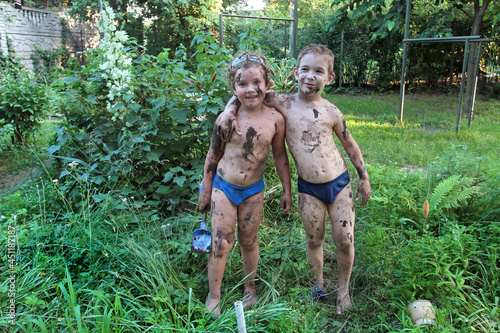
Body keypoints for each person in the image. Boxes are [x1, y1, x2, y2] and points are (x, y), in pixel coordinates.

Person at [218, 44, 371, 315]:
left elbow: (351, 145)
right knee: (314, 239)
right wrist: (230, 111)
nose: (310, 76)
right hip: (308, 188)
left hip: (339, 184)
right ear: (296, 73)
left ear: (329, 78)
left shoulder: (331, 111)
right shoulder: (283, 102)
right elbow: (247, 91)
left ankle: (343, 291)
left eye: (318, 71)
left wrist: (364, 177)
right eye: (305, 70)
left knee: (344, 239)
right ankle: (319, 285)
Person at [198, 51, 292, 316]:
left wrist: (286, 189)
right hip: (223, 188)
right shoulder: (226, 119)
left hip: (253, 191)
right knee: (221, 243)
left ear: (267, 84)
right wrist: (206, 191)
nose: (250, 89)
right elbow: (213, 155)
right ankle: (214, 295)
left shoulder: (276, 120)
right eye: (242, 84)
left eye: (256, 83)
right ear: (233, 88)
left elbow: (280, 156)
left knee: (249, 240)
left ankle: (249, 287)